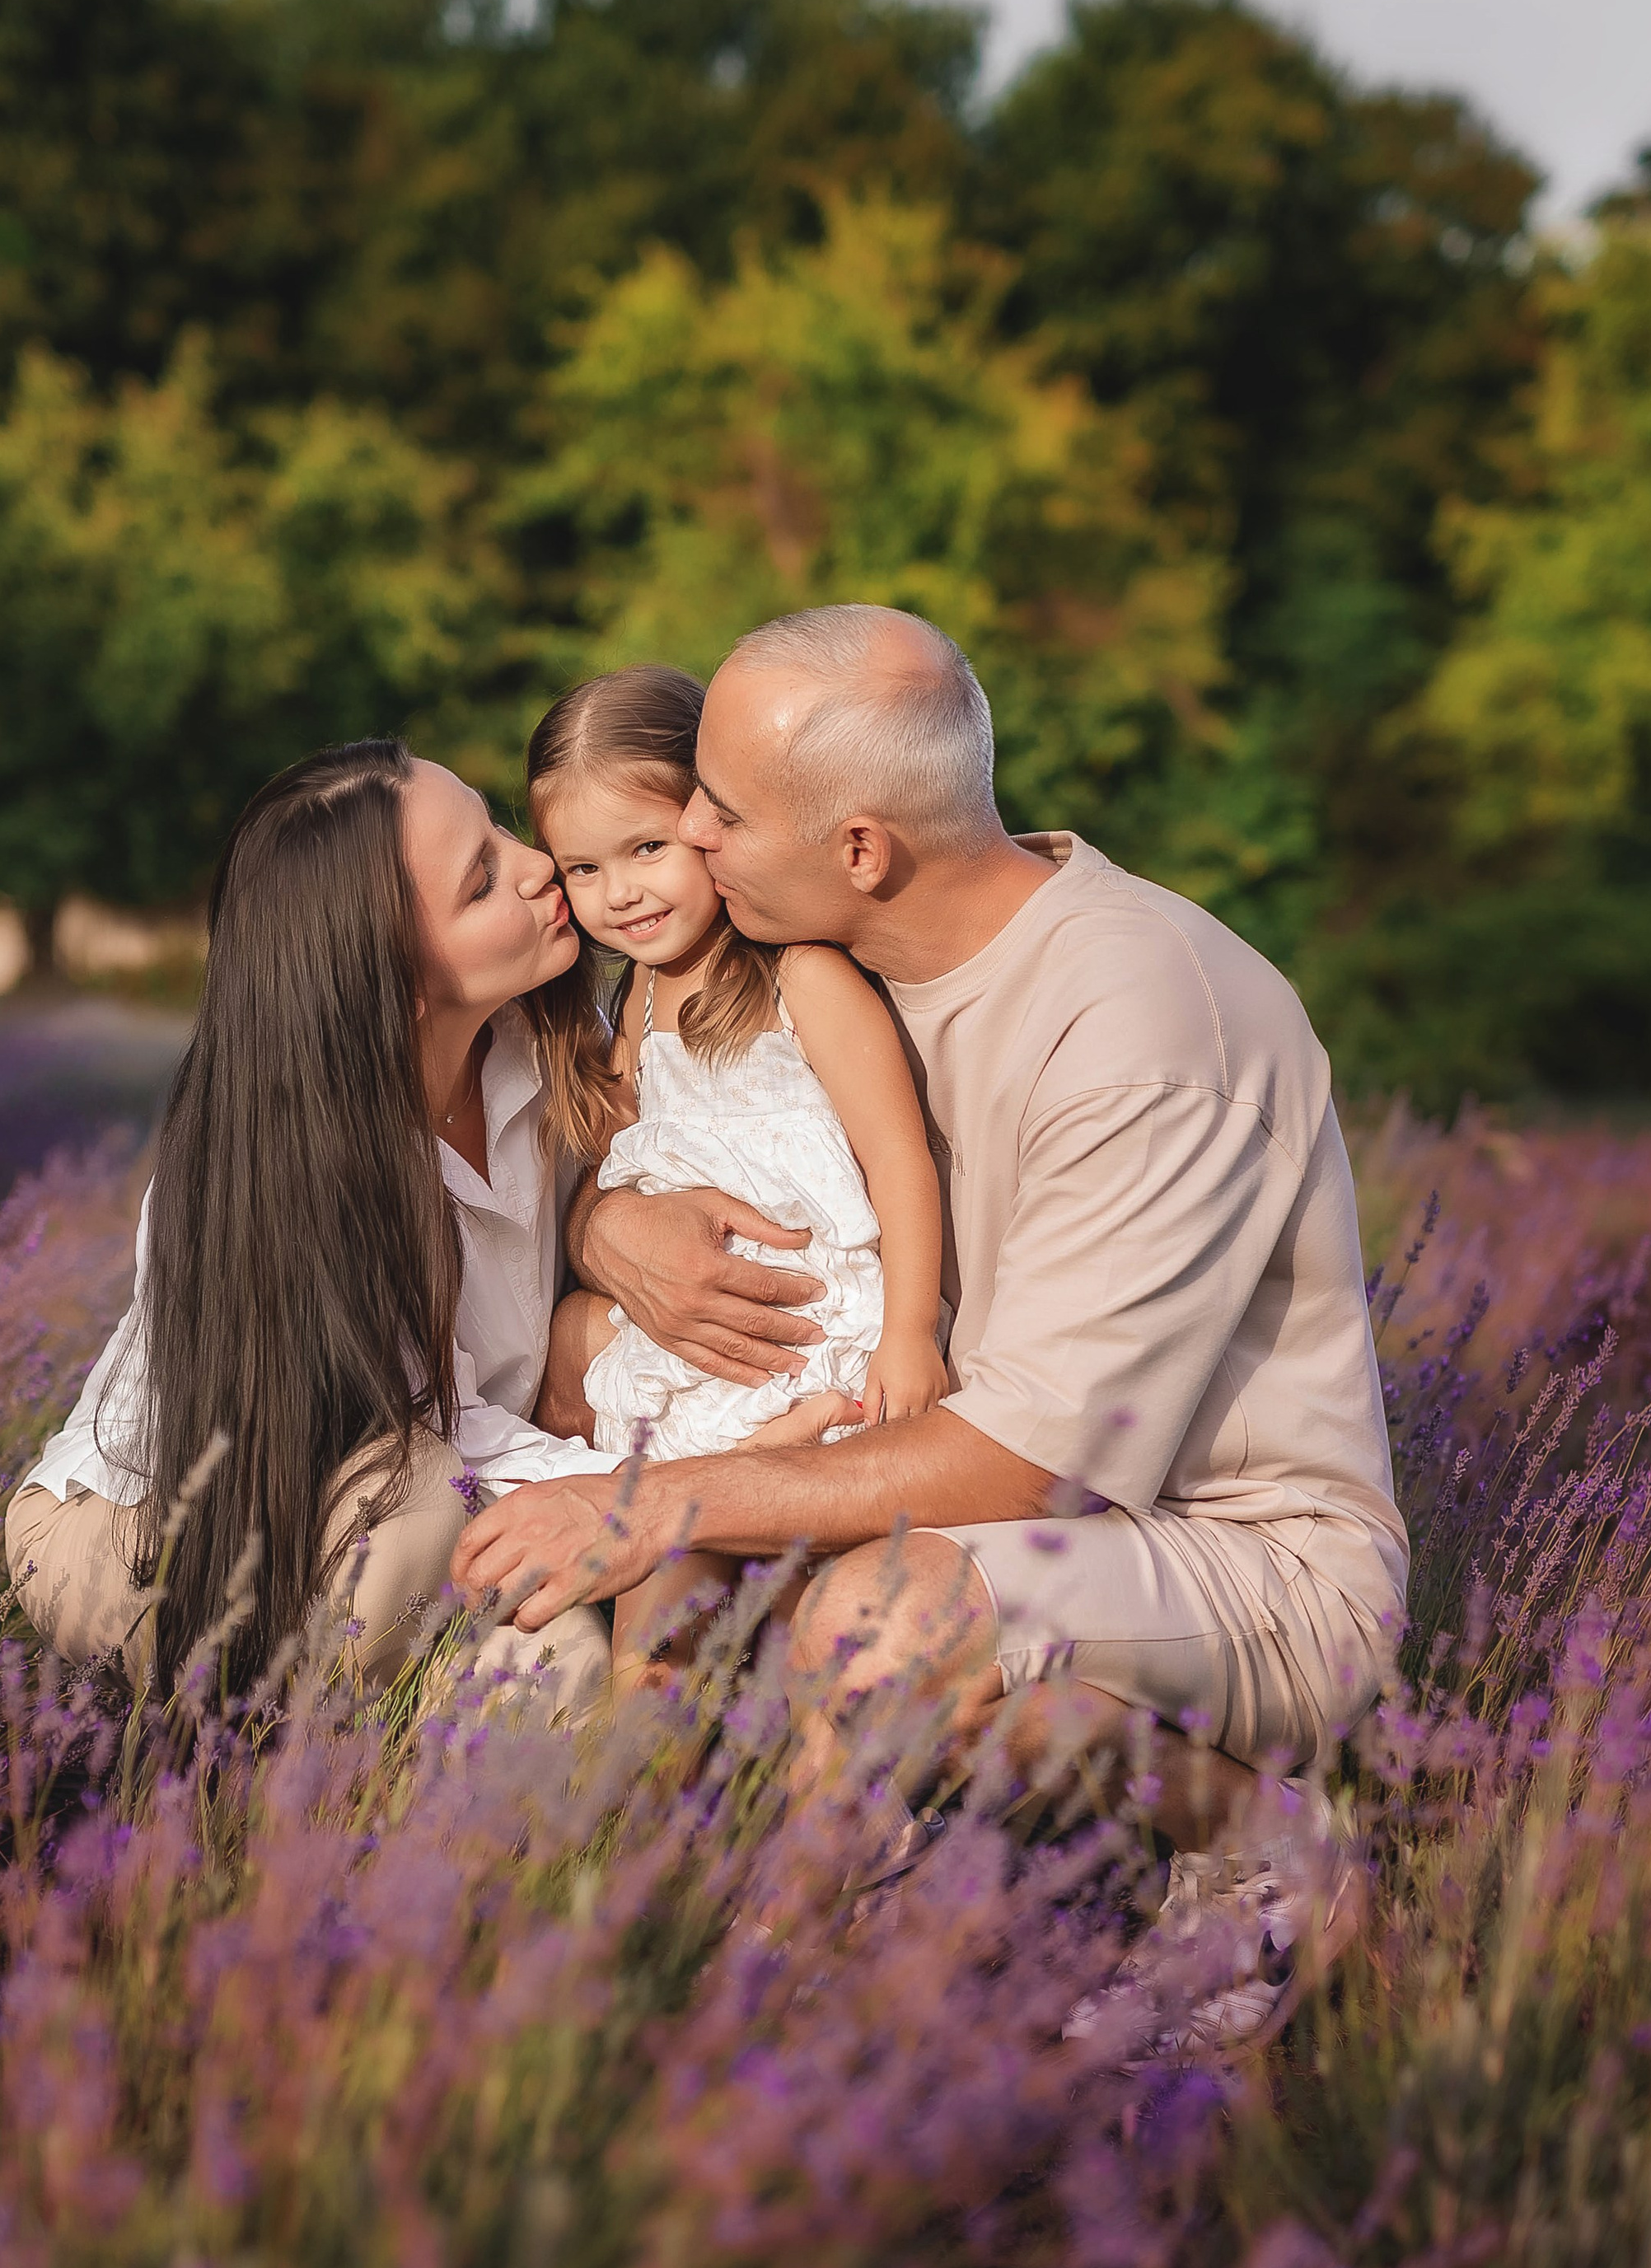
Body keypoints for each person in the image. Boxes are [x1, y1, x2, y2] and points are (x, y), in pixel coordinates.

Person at [451, 606, 1408, 2035]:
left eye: (720, 811)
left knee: (869, 1625)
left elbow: (1031, 1463)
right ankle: (709, 1895)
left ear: (859, 848)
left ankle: (1251, 1852)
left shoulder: (1142, 1028)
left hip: (1236, 1552)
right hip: (981, 1486)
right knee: (604, 1395)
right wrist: (608, 1230)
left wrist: (655, 1501)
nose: (690, 836)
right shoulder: (848, 943)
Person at [5, 739, 616, 1717]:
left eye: (498, 828)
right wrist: (666, 1491)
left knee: (564, 1657)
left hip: (384, 1495)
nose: (540, 864)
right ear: (400, 985)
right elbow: (441, 1429)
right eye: (482, 881)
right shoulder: (291, 1170)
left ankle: (396, 1732)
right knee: (426, 1507)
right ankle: (281, 1743)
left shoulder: (545, 1047)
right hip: (152, 1528)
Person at [521, 665, 946, 1689]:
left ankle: (803, 1757)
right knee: (655, 1626)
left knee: (793, 1617)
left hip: (807, 1337)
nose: (620, 892)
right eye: (582, 867)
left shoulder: (805, 977)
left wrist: (909, 1332)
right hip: (693, 1351)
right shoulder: (637, 999)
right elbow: (622, 1167)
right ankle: (642, 1767)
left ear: (710, 824)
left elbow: (899, 1156)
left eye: (647, 848)